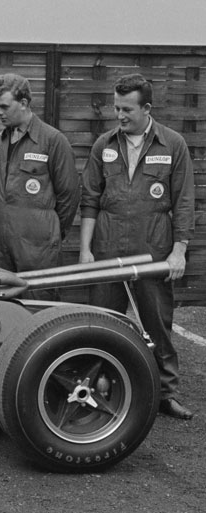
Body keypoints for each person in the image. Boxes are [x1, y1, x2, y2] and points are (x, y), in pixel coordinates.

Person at [80, 74, 195, 419]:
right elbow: (90, 199)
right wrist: (86, 251)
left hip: (152, 248)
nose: (120, 115)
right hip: (108, 247)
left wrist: (179, 250)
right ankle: (99, 387)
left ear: (147, 108)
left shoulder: (172, 144)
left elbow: (185, 202)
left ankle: (166, 393)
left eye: (127, 109)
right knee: (102, 322)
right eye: (116, 107)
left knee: (156, 323)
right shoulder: (105, 144)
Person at [0, 73, 79, 273]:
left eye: (4, 106)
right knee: (1, 300)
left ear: (24, 103)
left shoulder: (53, 140)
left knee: (38, 300)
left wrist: (49, 231)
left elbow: (69, 195)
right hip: (0, 247)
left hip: (38, 248)